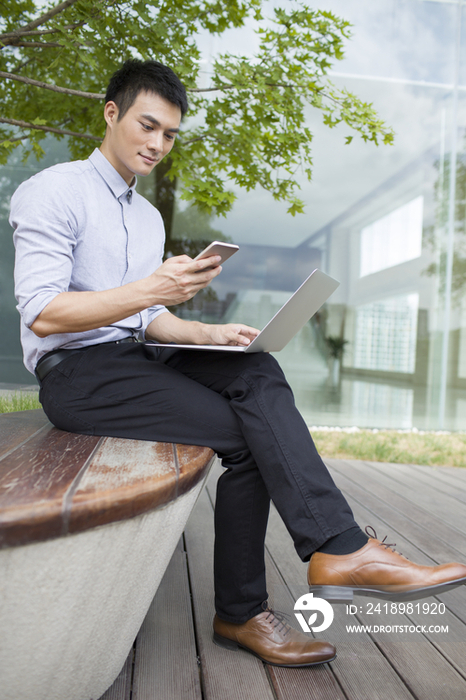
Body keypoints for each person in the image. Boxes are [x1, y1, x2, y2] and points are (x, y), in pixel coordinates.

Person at [11, 59, 466, 669]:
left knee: (256, 370)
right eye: (147, 126)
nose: (157, 144)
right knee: (250, 437)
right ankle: (249, 608)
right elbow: (44, 313)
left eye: (170, 135)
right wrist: (154, 289)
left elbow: (147, 321)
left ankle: (339, 548)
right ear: (111, 113)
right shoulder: (52, 190)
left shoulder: (145, 217)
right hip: (76, 374)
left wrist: (206, 331)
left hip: (134, 353)